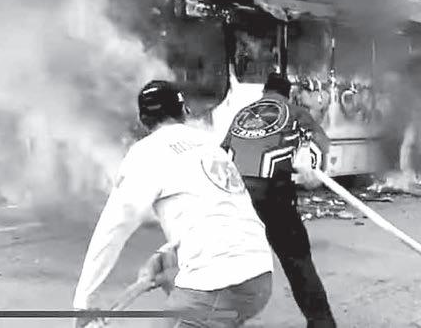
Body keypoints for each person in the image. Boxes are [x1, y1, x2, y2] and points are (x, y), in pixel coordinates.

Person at [73, 80, 274, 327]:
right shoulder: (210, 146)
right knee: (182, 287)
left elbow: (112, 229)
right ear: (184, 111)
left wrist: (84, 301)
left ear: (143, 120)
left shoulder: (147, 152)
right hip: (260, 273)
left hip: (217, 281)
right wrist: (166, 253)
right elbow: (216, 214)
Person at [220, 72, 337, 328]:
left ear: (264, 91)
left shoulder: (243, 114)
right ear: (288, 93)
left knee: (230, 264)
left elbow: (222, 152)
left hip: (235, 197)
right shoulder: (294, 111)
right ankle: (321, 323)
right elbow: (321, 142)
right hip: (273, 194)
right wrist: (313, 165)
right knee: (297, 261)